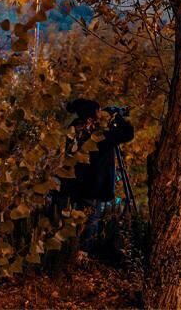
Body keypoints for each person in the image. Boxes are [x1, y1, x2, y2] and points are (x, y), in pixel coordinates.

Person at [58, 98, 135, 247]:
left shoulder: (74, 127)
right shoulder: (100, 133)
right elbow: (128, 134)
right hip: (94, 185)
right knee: (91, 220)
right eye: (98, 110)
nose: (100, 113)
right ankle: (83, 253)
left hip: (75, 184)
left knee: (75, 219)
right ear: (91, 115)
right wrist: (118, 116)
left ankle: (71, 250)